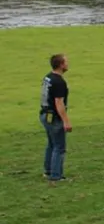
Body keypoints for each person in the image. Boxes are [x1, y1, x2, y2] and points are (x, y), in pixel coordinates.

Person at [40, 53, 71, 183]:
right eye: (66, 62)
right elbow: (59, 103)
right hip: (54, 117)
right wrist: (66, 121)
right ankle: (56, 176)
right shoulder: (59, 82)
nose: (68, 64)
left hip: (45, 114)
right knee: (59, 146)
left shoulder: (48, 77)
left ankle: (48, 170)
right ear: (61, 65)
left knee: (51, 144)